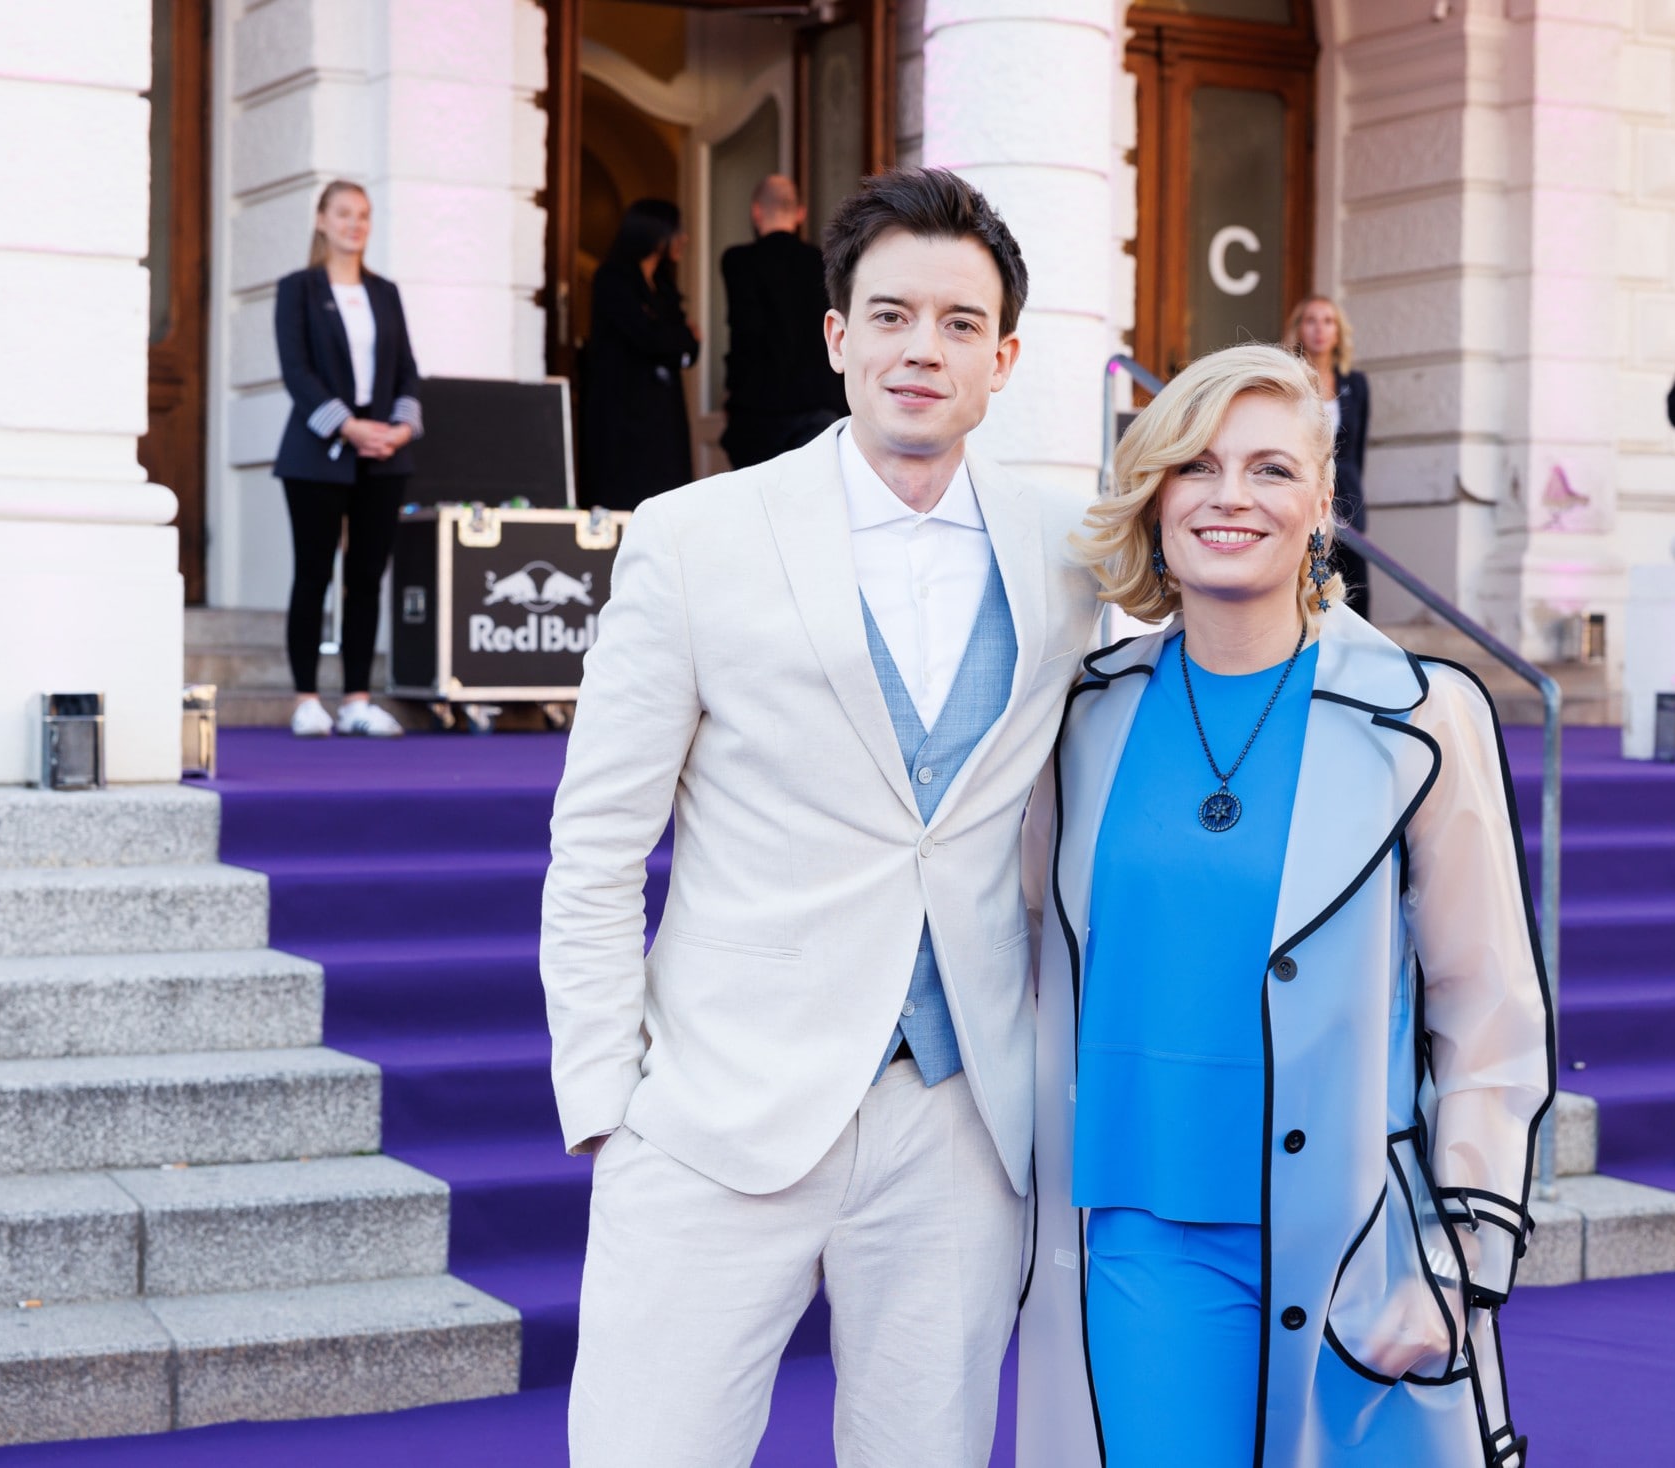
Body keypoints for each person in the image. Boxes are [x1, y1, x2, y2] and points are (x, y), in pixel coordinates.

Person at [541, 167, 1101, 1467]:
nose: (925, 347)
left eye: (961, 324)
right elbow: (598, 842)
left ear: (1004, 357)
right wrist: (607, 1099)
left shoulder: (1066, 554)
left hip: (958, 1117)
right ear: (839, 334)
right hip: (713, 1110)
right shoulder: (695, 536)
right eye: (893, 314)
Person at [1016, 343, 1552, 1468]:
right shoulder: (1080, 714)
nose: (1227, 497)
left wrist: (1463, 1250)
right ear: (1154, 496)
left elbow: (1486, 1001)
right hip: (1138, 1233)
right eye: (1195, 466)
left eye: (1268, 469)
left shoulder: (1420, 714)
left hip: (1353, 1235)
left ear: (1321, 506)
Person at [272, 179, 422, 738]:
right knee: (313, 573)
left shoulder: (385, 292)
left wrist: (401, 429)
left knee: (366, 577)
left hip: (383, 455)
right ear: (321, 220)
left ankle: (357, 698)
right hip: (317, 452)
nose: (354, 224)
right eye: (343, 214)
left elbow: (407, 367)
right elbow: (297, 371)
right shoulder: (298, 289)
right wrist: (350, 426)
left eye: (363, 215)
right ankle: (307, 698)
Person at [719, 174, 848, 468]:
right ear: (800, 213)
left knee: (757, 505)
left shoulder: (738, 261)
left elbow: (744, 333)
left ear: (756, 210)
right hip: (819, 403)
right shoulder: (825, 263)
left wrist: (733, 391)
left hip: (757, 406)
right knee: (813, 504)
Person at [580, 199, 700, 510]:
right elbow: (647, 336)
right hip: (623, 415)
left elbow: (688, 345)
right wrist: (675, 339)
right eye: (677, 230)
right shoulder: (613, 278)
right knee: (625, 499)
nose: (683, 238)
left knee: (667, 500)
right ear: (655, 232)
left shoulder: (663, 286)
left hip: (662, 417)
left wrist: (673, 340)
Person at [1283, 295, 1370, 616]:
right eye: (1311, 320)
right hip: (1300, 491)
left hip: (1346, 495)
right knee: (1306, 579)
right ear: (1298, 329)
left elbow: (1357, 450)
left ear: (1338, 332)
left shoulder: (1355, 384)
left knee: (1354, 584)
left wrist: (1357, 499)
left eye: (1328, 321)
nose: (1320, 329)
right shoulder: (1289, 380)